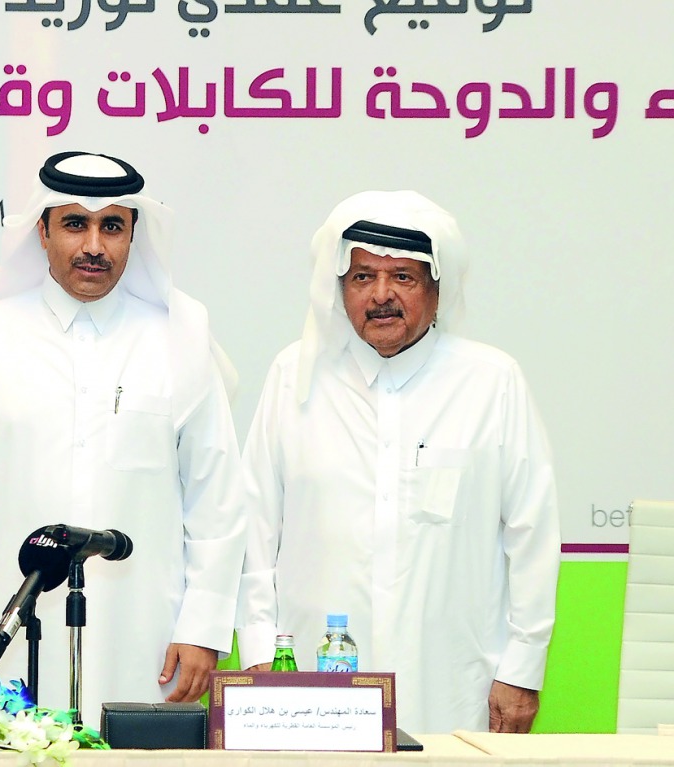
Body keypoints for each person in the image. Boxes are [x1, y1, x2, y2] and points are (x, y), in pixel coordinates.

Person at [0, 151, 246, 719]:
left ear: (132, 237)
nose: (94, 246)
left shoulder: (179, 341)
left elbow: (216, 500)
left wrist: (203, 625)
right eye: (75, 224)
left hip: (146, 640)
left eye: (112, 227)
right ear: (43, 234)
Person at [236, 190, 560, 734]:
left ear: (437, 289)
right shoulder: (296, 376)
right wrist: (259, 652)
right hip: (309, 689)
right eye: (362, 277)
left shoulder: (490, 382)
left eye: (403, 278)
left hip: (452, 683)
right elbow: (255, 526)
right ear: (339, 289)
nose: (381, 295)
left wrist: (522, 669)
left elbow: (532, 533)